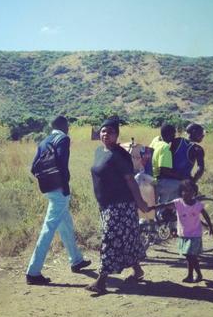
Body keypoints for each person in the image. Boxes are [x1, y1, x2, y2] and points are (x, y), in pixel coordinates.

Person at [86, 118, 150, 294]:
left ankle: (101, 281)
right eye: (103, 131)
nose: (106, 134)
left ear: (116, 135)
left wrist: (141, 202)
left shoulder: (120, 155)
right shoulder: (99, 151)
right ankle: (138, 270)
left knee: (110, 240)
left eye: (110, 132)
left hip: (121, 205)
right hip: (106, 205)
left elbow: (130, 181)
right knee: (127, 239)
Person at [26, 115, 91, 285]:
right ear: (63, 126)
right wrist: (64, 185)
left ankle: (76, 260)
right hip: (60, 189)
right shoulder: (63, 139)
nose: (69, 128)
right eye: (67, 125)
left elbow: (33, 168)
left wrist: (48, 180)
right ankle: (33, 272)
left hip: (48, 189)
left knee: (65, 224)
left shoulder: (44, 141)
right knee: (48, 229)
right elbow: (63, 165)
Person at [166, 179, 213, 283]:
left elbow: (205, 215)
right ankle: (194, 275)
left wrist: (210, 226)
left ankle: (194, 275)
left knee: (190, 255)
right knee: (189, 256)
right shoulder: (178, 203)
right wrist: (152, 207)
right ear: (181, 192)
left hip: (195, 235)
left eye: (190, 190)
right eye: (185, 190)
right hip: (184, 235)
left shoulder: (197, 205)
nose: (187, 193)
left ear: (194, 192)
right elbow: (165, 205)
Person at [150, 124, 181, 203]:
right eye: (174, 134)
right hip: (158, 181)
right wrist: (182, 177)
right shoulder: (165, 147)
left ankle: (162, 210)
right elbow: (164, 171)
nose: (174, 137)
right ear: (170, 135)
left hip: (150, 178)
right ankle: (173, 208)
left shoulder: (156, 141)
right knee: (184, 186)